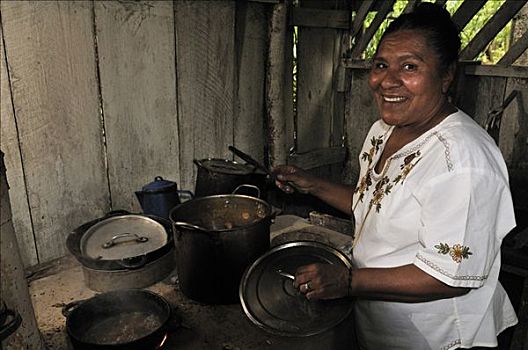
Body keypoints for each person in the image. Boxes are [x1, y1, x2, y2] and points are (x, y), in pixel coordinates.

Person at [272, 3, 518, 350]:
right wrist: (313, 185)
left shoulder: (462, 161)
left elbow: (450, 276)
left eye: (410, 66)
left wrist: (349, 280)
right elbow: (377, 203)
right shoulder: (383, 130)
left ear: (446, 75)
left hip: (442, 337)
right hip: (385, 326)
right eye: (381, 64)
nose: (387, 80)